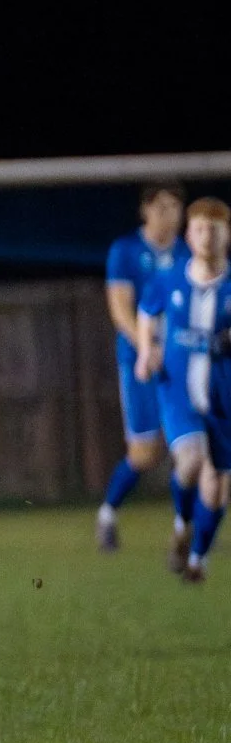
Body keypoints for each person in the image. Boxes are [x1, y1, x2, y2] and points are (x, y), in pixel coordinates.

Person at [136, 198, 231, 583]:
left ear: (227, 235)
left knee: (218, 484)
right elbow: (147, 311)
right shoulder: (169, 279)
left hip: (223, 398)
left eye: (215, 230)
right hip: (179, 392)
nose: (207, 237)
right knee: (190, 462)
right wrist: (146, 350)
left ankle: (197, 559)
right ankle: (182, 523)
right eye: (200, 229)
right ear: (189, 236)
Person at [97, 182, 189, 558]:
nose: (170, 215)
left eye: (176, 207)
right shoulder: (126, 251)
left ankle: (186, 528)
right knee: (144, 455)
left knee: (192, 448)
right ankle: (107, 514)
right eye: (162, 207)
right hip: (141, 365)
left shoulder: (188, 253)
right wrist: (147, 347)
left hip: (183, 364)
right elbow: (121, 309)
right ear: (145, 211)